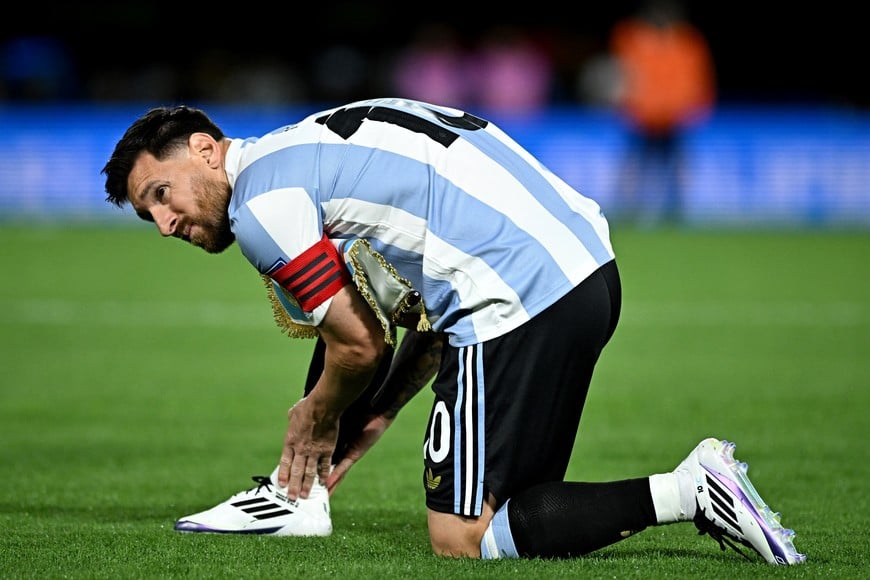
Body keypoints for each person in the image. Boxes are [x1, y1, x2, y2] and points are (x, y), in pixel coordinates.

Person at [101, 97, 804, 564]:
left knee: (459, 537)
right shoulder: (310, 143)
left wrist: (314, 417)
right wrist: (375, 413)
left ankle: (695, 488)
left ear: (204, 148)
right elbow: (423, 311)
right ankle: (298, 494)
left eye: (160, 194)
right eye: (148, 216)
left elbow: (357, 343)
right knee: (514, 520)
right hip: (586, 273)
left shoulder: (262, 204)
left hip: (511, 297)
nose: (165, 223)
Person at [607, 0, 716, 224]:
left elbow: (698, 77)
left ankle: (676, 212)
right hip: (642, 116)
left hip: (674, 117)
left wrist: (698, 106)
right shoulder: (632, 38)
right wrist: (625, 104)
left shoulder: (688, 42)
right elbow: (623, 74)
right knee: (635, 165)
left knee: (677, 166)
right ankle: (627, 211)